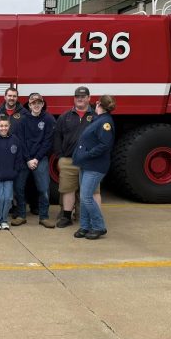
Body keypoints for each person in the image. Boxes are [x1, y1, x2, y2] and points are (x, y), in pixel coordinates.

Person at [44, 85, 97, 228]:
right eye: (77, 97)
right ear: (74, 99)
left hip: (89, 160)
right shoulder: (65, 116)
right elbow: (57, 137)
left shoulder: (96, 117)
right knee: (68, 189)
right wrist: (60, 156)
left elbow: (103, 139)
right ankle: (66, 216)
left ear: (89, 98)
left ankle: (89, 217)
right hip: (69, 160)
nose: (80, 99)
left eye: (83, 97)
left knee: (90, 190)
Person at [72, 95, 116, 240]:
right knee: (85, 197)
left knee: (86, 197)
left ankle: (98, 226)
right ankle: (85, 226)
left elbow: (105, 145)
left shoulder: (105, 123)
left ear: (99, 104)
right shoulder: (98, 119)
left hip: (95, 166)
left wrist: (87, 154)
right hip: (86, 164)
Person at [15, 92, 56, 227]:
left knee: (43, 189)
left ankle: (44, 217)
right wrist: (28, 159)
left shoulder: (49, 119)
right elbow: (20, 141)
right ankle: (21, 215)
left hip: (40, 159)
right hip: (24, 158)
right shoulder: (23, 120)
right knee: (19, 187)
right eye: (33, 103)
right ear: (29, 105)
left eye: (39, 103)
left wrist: (36, 159)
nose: (36, 105)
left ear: (42, 104)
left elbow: (48, 142)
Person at [0, 114, 24, 230]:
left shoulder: (15, 140)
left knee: (8, 199)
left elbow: (18, 157)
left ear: (9, 126)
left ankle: (4, 219)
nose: (3, 128)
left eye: (6, 126)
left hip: (9, 176)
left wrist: (15, 171)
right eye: (1, 126)